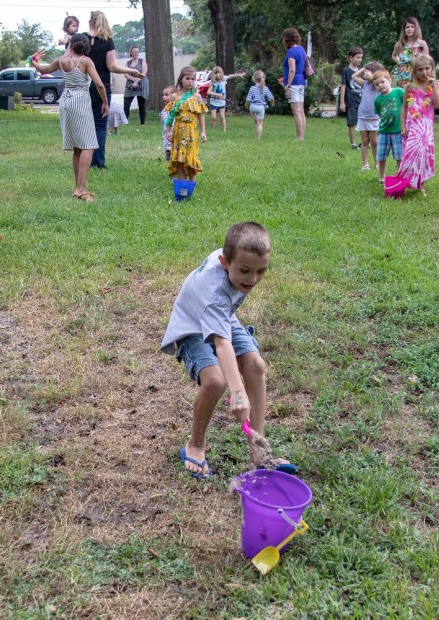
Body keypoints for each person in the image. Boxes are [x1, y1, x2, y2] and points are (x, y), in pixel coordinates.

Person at [160, 221, 297, 479]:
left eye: (261, 271)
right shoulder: (214, 293)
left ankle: (258, 451)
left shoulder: (234, 259)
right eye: (245, 270)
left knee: (256, 366)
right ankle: (195, 444)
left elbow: (224, 327)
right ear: (225, 262)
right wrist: (237, 393)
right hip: (192, 325)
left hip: (223, 317)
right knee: (215, 381)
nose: (252, 279)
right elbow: (222, 345)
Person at [31, 34, 108, 202]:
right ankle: (81, 189)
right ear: (86, 46)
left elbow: (43, 70)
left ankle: (79, 187)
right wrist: (105, 103)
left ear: (71, 44)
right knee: (88, 145)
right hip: (80, 100)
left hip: (65, 101)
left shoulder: (61, 60)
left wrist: (33, 59)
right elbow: (100, 84)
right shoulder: (86, 61)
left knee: (77, 147)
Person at [83, 11, 144, 169]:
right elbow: (112, 66)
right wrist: (131, 70)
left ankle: (85, 161)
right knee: (101, 125)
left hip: (83, 85)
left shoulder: (81, 39)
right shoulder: (107, 41)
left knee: (86, 125)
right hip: (100, 86)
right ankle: (98, 162)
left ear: (90, 22)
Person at [399, 55, 439, 194]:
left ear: (432, 69)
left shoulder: (435, 86)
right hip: (412, 127)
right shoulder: (410, 87)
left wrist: (433, 87)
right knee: (409, 155)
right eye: (420, 69)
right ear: (415, 71)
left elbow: (437, 104)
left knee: (424, 155)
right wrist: (403, 126)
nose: (424, 72)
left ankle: (420, 184)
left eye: (427, 68)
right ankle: (403, 183)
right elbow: (404, 107)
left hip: (426, 128)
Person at [164, 66, 208, 181]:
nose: (190, 81)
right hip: (178, 132)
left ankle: (192, 182)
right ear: (181, 80)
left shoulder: (196, 97)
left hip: (191, 132)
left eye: (193, 79)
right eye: (187, 78)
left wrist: (203, 131)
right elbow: (171, 116)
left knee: (191, 157)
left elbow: (201, 115)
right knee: (179, 158)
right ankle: (181, 181)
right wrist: (168, 130)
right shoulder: (175, 97)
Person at [373, 70, 405, 183]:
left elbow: (406, 107)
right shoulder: (377, 100)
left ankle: (401, 176)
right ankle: (381, 177)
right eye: (377, 84)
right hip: (383, 132)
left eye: (382, 82)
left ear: (390, 81)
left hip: (398, 131)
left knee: (399, 156)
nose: (380, 85)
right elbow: (380, 116)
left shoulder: (399, 92)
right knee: (381, 156)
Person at [352, 61, 384, 171]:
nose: (366, 73)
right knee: (364, 141)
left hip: (374, 117)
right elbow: (354, 76)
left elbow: (380, 79)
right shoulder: (365, 84)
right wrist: (365, 67)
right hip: (362, 116)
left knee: (374, 142)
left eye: (368, 71)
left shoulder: (378, 86)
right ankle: (365, 164)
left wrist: (372, 76)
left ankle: (377, 163)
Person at [279, 28, 308, 141]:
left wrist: (288, 86)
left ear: (287, 39)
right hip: (302, 81)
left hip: (294, 83)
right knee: (301, 110)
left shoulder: (291, 52)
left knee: (296, 111)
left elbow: (292, 70)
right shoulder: (301, 49)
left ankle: (299, 137)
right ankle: (302, 136)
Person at [392, 17, 429, 89]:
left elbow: (427, 62)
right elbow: (394, 56)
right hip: (403, 77)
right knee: (403, 97)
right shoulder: (400, 44)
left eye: (412, 27)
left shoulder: (422, 44)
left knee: (415, 97)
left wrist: (416, 63)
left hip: (417, 75)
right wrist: (400, 63)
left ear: (416, 29)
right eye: (407, 27)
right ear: (404, 30)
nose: (409, 29)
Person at [339, 46, 364, 149]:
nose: (359, 60)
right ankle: (353, 144)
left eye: (361, 58)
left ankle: (364, 142)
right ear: (350, 58)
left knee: (363, 122)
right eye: (357, 57)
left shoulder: (361, 71)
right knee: (351, 123)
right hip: (351, 101)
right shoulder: (346, 70)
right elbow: (343, 86)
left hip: (361, 100)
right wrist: (342, 102)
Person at [207, 66, 245, 132]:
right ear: (213, 74)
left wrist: (239, 75)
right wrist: (217, 94)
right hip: (214, 102)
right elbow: (208, 92)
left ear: (221, 73)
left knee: (222, 117)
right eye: (216, 73)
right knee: (213, 117)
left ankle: (224, 131)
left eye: (219, 73)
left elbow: (230, 76)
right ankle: (212, 131)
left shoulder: (224, 79)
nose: (217, 74)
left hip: (222, 102)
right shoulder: (213, 83)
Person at [245, 70, 275, 140]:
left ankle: (254, 117)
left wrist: (246, 105)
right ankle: (258, 139)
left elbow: (248, 99)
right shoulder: (265, 88)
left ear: (254, 78)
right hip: (261, 108)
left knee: (251, 111)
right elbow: (271, 98)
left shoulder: (252, 88)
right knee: (260, 124)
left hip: (253, 106)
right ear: (263, 78)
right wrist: (272, 102)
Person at [123, 46, 148, 125]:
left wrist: (137, 81)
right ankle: (125, 122)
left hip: (140, 85)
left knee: (141, 105)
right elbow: (125, 74)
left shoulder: (142, 61)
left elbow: (144, 73)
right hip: (130, 86)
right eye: (134, 52)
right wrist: (134, 80)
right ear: (131, 53)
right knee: (126, 104)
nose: (136, 53)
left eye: (137, 52)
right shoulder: (127, 63)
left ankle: (142, 123)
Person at [160, 85, 175, 162]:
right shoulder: (165, 109)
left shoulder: (175, 109)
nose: (164, 97)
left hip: (173, 133)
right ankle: (168, 159)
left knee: (173, 148)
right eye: (163, 95)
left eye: (166, 95)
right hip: (166, 132)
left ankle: (172, 160)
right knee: (167, 147)